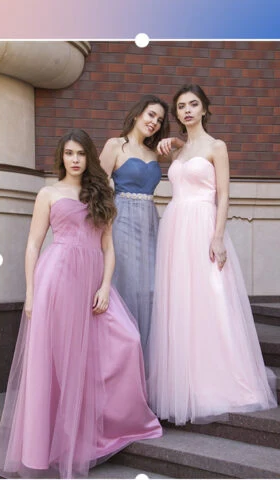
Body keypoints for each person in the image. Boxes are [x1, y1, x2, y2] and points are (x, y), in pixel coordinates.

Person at [0, 129, 162, 479]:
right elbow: (32, 244)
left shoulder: (100, 194)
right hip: (56, 279)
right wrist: (30, 292)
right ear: (62, 157)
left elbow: (108, 248)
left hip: (93, 283)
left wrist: (104, 286)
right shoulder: (48, 193)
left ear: (89, 157)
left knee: (127, 340)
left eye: (80, 154)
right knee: (57, 359)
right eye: (69, 153)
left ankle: (112, 424)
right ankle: (54, 445)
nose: (74, 159)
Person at [147, 85, 277, 425]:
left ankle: (221, 381)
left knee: (212, 299)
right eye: (181, 107)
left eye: (193, 104)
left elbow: (223, 196)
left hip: (204, 224)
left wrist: (217, 237)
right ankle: (185, 383)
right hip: (175, 227)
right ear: (176, 114)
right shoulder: (177, 149)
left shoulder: (217, 147)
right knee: (181, 303)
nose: (187, 110)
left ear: (205, 109)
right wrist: (173, 145)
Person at [99, 95, 180, 371]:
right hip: (122, 222)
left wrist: (178, 143)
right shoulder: (115, 145)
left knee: (151, 292)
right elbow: (96, 189)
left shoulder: (156, 152)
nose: (154, 122)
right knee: (127, 289)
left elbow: (187, 154)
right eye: (150, 115)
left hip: (150, 223)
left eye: (159, 120)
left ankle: (146, 372)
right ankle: (119, 370)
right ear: (137, 114)